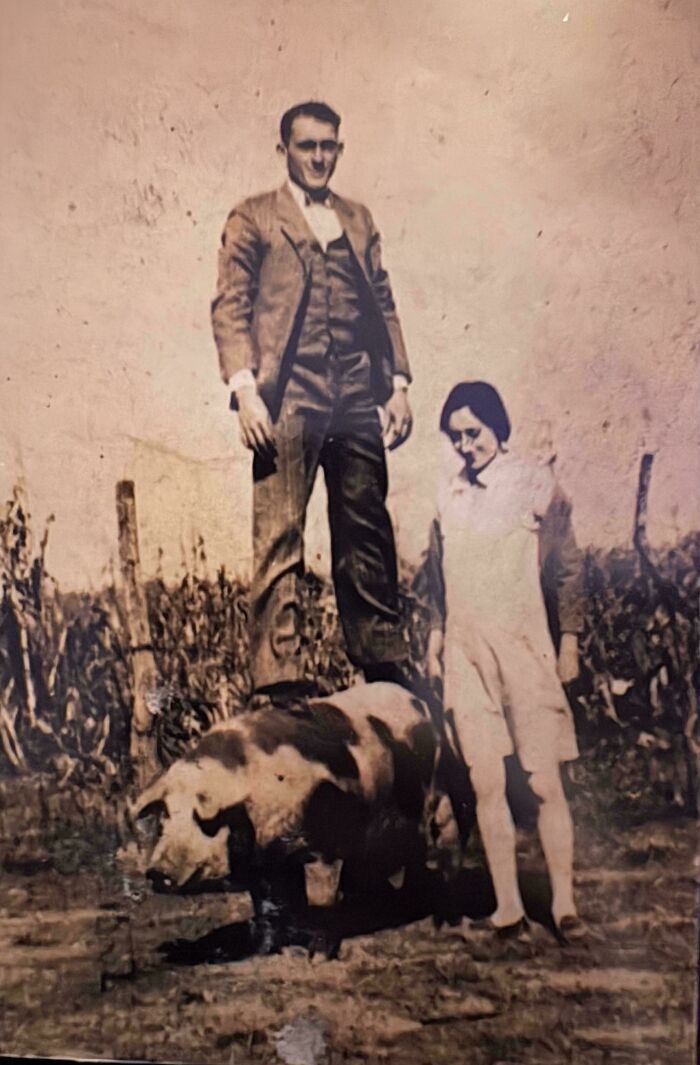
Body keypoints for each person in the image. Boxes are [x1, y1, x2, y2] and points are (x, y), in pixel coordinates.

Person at [211, 101, 413, 700]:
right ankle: (280, 679)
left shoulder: (357, 218)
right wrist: (245, 392)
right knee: (279, 534)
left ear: (339, 149)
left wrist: (397, 383)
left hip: (355, 391)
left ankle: (380, 661)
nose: (319, 157)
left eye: (329, 146)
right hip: (287, 396)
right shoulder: (253, 218)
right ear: (284, 152)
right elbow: (230, 305)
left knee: (366, 528)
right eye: (307, 147)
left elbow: (382, 297)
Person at [425, 380, 585, 939]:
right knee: (487, 780)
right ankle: (509, 907)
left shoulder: (536, 484)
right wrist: (437, 638)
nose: (467, 446)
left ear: (497, 426)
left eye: (474, 432)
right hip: (468, 656)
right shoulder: (450, 498)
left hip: (524, 649)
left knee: (543, 783)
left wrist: (570, 639)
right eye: (456, 437)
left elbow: (566, 568)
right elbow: (436, 579)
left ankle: (563, 903)